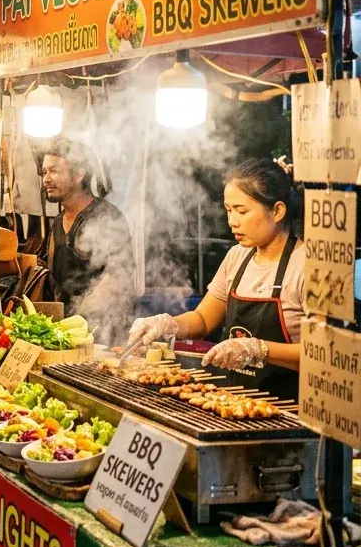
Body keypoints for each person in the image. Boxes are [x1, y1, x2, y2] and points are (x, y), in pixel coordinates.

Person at [128, 159, 304, 400]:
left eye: (242, 211)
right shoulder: (237, 257)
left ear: (277, 211)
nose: (232, 221)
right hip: (234, 402)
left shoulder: (307, 265)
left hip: (291, 414)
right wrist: (168, 325)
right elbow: (202, 320)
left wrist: (258, 349)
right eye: (228, 210)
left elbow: (323, 357)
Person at [41, 138, 136, 344]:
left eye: (54, 171)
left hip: (105, 336)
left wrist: (76, 321)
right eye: (44, 172)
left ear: (78, 174)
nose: (46, 179)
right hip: (65, 336)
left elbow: (118, 278)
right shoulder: (57, 223)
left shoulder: (106, 217)